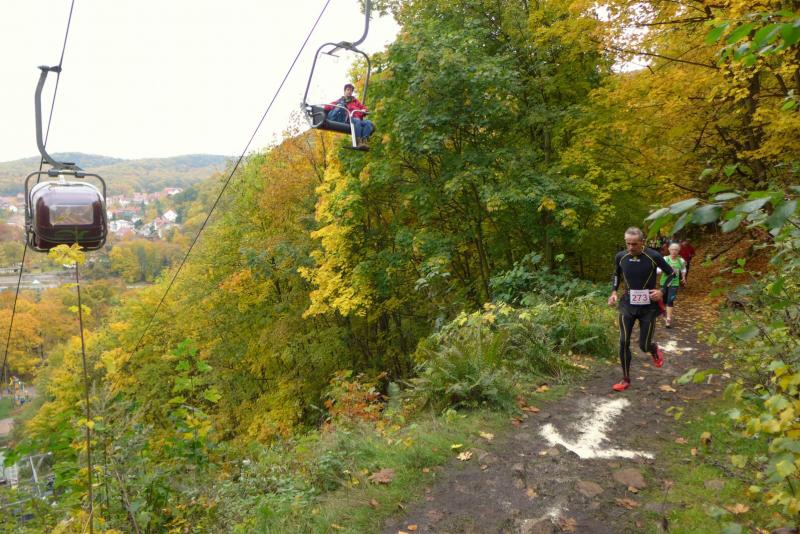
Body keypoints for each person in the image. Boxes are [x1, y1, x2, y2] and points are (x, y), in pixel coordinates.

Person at [608, 227, 676, 391]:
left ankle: (653, 349)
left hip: (648, 307)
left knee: (643, 346)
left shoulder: (653, 256)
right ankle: (625, 379)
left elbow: (672, 273)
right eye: (628, 243)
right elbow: (616, 274)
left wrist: (662, 291)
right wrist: (614, 292)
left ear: (642, 242)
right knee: (623, 341)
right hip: (628, 304)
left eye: (634, 244)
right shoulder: (621, 256)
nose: (631, 247)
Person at [324, 83, 374, 148]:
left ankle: (364, 141)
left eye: (351, 91)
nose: (349, 92)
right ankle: (358, 142)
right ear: (344, 91)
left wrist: (364, 110)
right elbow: (327, 106)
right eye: (348, 90)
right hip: (349, 119)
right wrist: (332, 107)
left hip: (358, 119)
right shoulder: (340, 101)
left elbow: (364, 108)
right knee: (357, 121)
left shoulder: (355, 101)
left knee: (369, 123)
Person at [657, 243, 687, 328]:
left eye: (676, 250)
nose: (674, 251)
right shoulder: (665, 259)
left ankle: (668, 319)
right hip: (664, 283)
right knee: (663, 301)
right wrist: (660, 270)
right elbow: (658, 269)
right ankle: (664, 314)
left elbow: (683, 269)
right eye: (672, 249)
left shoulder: (681, 261)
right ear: (669, 250)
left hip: (674, 283)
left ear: (678, 251)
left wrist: (683, 277)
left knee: (670, 300)